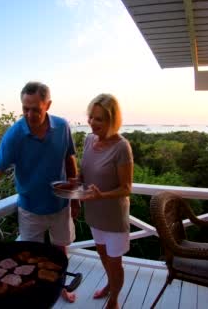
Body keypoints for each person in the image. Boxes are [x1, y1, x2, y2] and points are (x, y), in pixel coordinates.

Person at [0, 81, 79, 302]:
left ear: (48, 105)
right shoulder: (14, 135)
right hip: (30, 208)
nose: (29, 114)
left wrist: (75, 198)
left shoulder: (62, 127)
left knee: (60, 251)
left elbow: (70, 160)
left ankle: (60, 287)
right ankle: (37, 296)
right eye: (25, 108)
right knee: (31, 258)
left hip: (60, 206)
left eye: (35, 109)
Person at [79, 93, 133, 309]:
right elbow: (85, 174)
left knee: (115, 262)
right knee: (102, 255)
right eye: (91, 117)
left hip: (113, 217)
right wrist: (75, 180)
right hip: (93, 213)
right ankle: (110, 284)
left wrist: (102, 195)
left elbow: (126, 188)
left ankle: (114, 298)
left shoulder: (122, 147)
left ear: (112, 120)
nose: (92, 123)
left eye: (99, 119)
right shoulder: (88, 140)